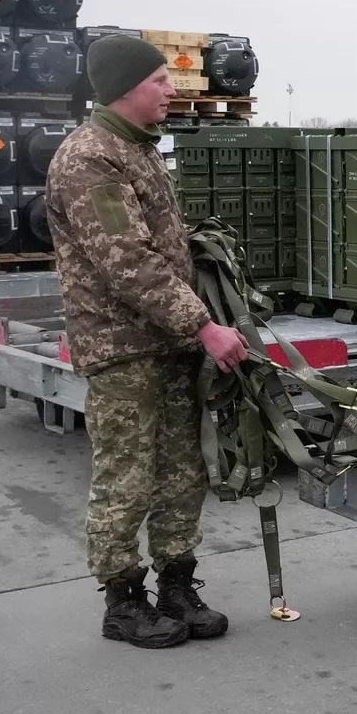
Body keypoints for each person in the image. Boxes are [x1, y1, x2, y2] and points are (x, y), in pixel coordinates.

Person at [47, 35, 251, 649]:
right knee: (128, 475)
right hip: (124, 346)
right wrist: (204, 325)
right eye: (161, 80)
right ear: (125, 87)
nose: (171, 90)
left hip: (167, 342)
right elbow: (127, 261)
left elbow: (163, 248)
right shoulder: (90, 159)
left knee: (182, 471)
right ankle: (123, 598)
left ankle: (177, 585)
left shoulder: (138, 152)